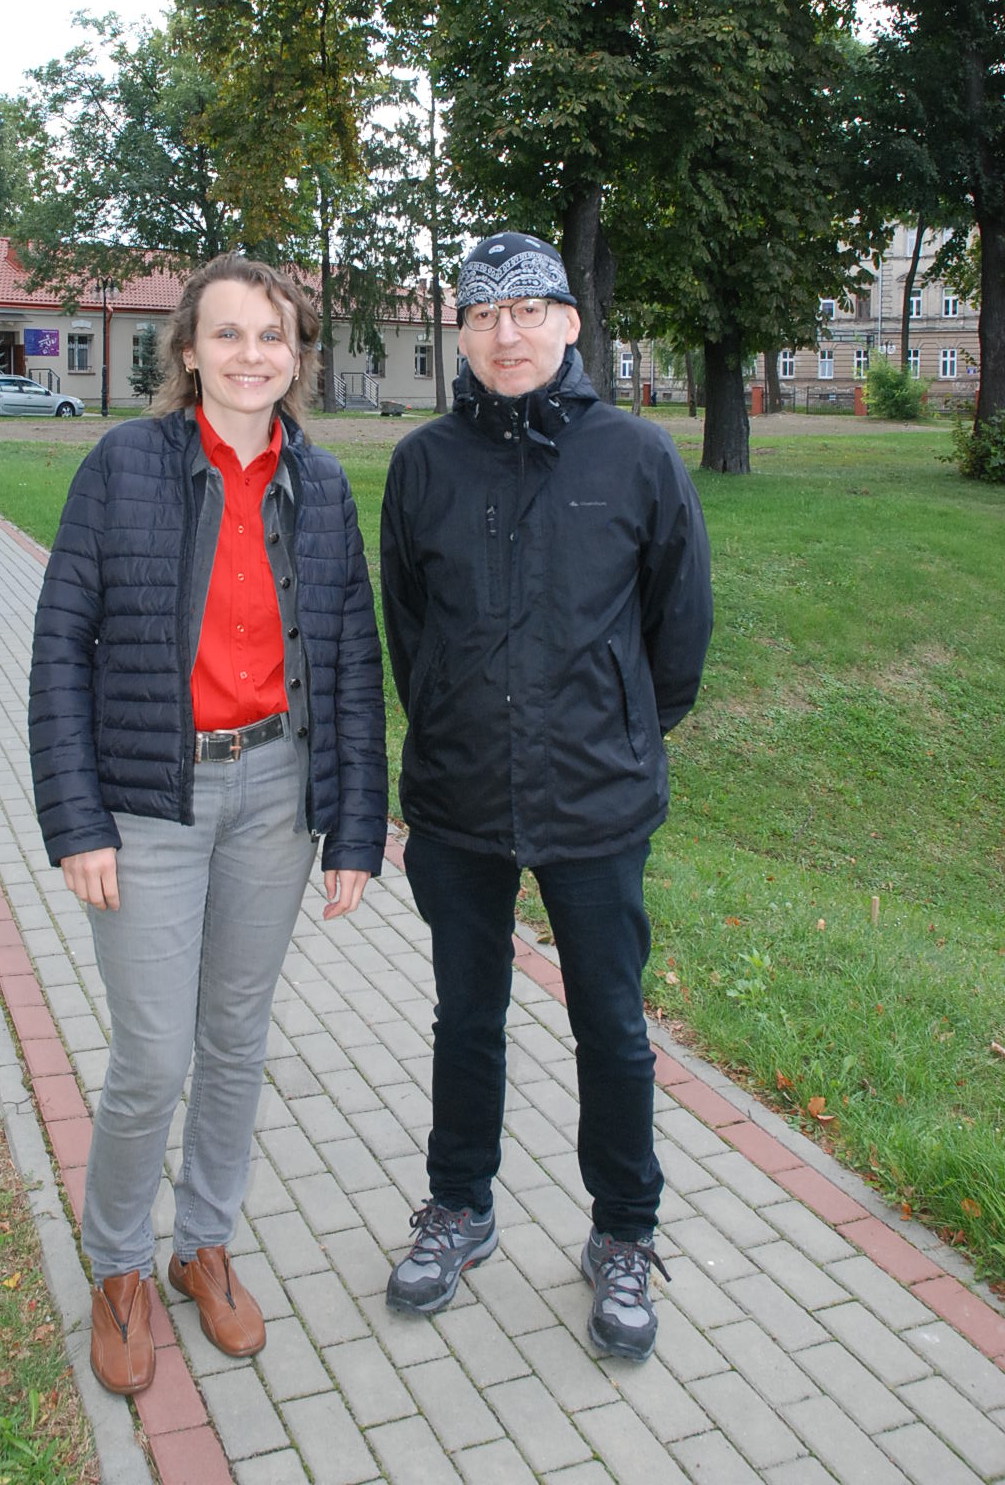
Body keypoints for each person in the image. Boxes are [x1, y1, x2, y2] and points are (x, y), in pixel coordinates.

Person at [29, 253, 386, 1396]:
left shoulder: (320, 485)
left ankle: (204, 1245)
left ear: (297, 356)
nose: (250, 355)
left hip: (275, 793)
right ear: (187, 350)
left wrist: (356, 828)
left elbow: (352, 659)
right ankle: (118, 1265)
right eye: (227, 333)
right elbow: (59, 645)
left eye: (272, 335)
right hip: (150, 800)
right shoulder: (124, 465)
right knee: (153, 1054)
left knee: (236, 1037)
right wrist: (77, 819)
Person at [380, 231, 712, 1361]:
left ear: (571, 323)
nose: (505, 334)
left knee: (610, 1023)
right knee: (466, 1016)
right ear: (462, 335)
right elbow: (408, 628)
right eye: (482, 316)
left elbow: (678, 629)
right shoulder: (423, 464)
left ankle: (624, 1231)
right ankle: (458, 1207)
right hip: (460, 798)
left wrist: (620, 725)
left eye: (528, 311)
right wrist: (451, 712)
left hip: (595, 799)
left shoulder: (637, 456)